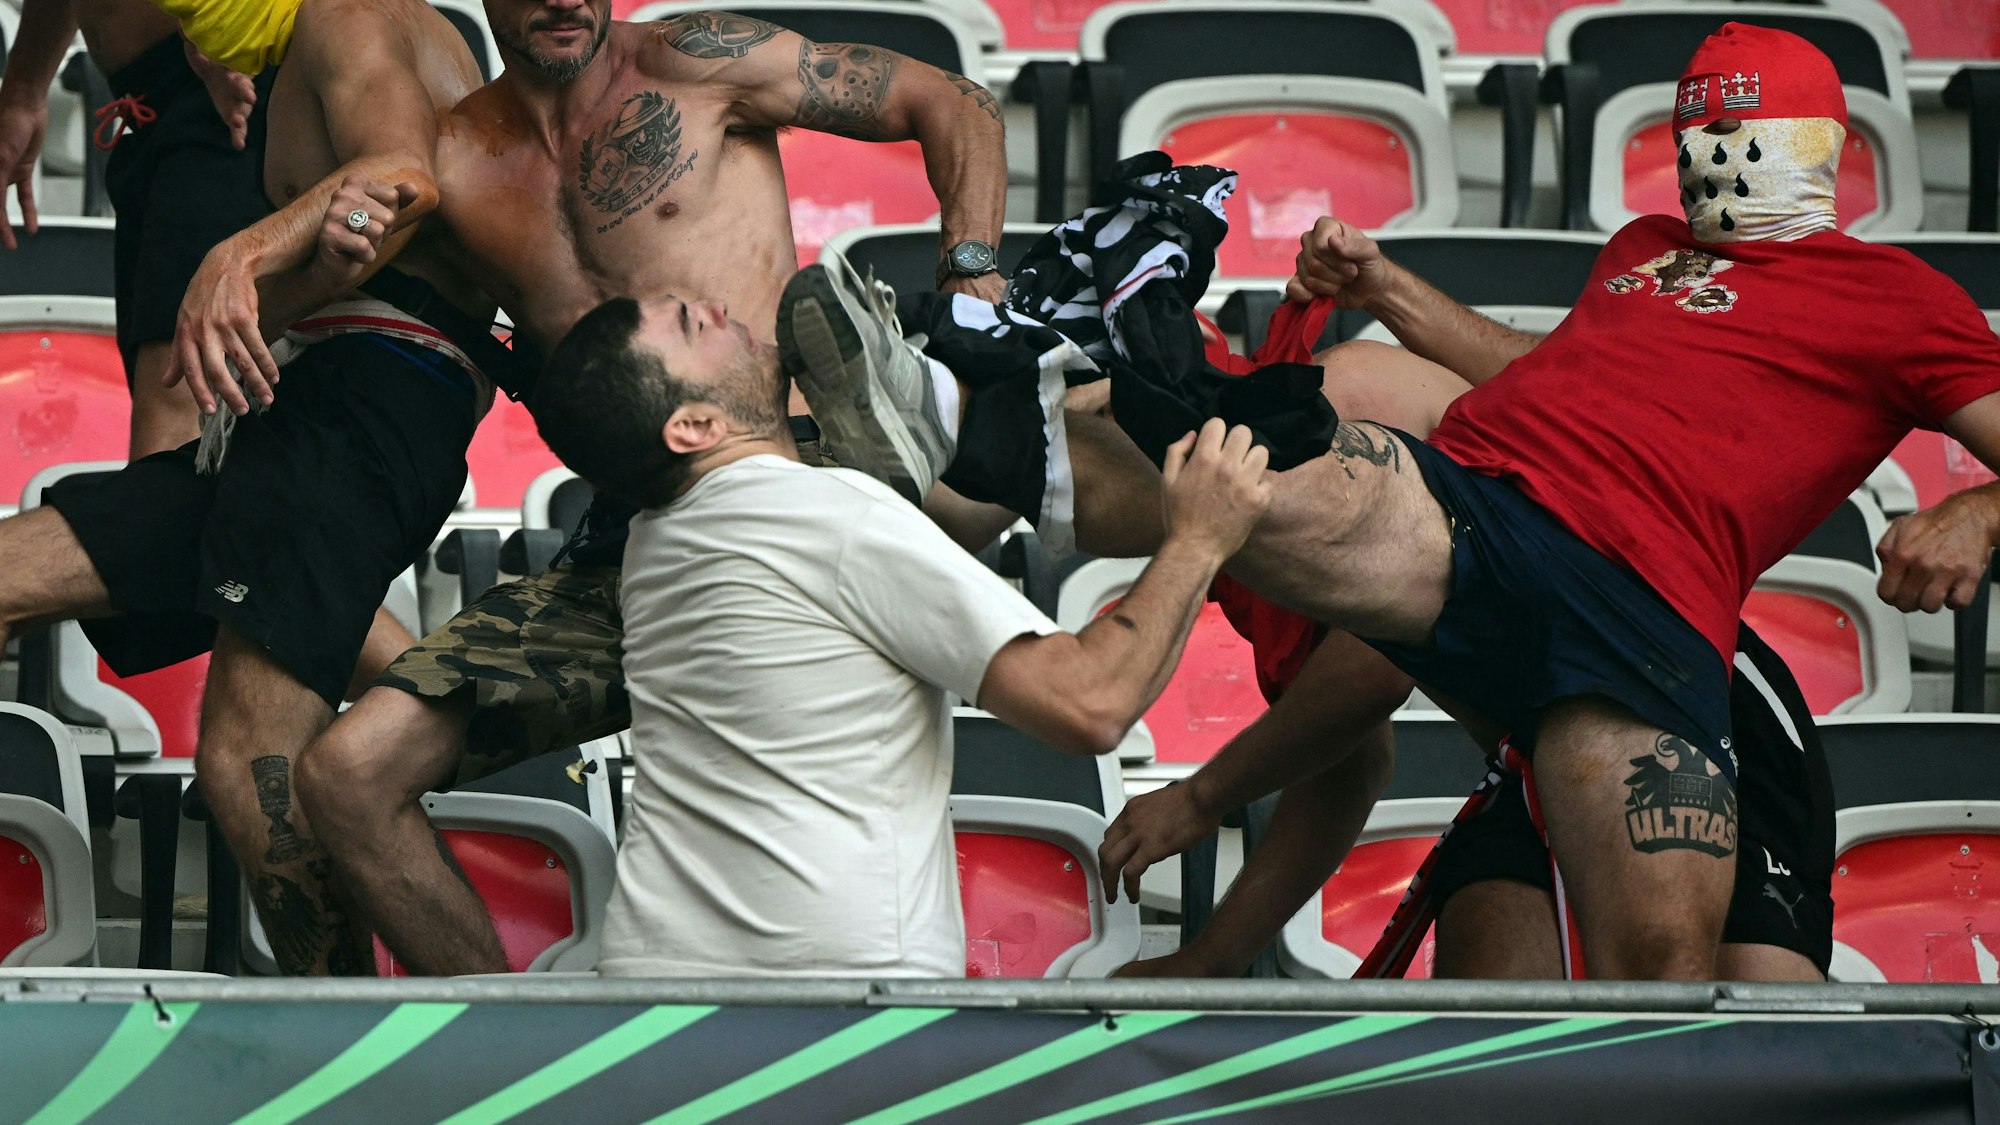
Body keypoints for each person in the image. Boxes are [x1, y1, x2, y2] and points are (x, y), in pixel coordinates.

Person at [835, 22, 2000, 980]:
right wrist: (1390, 286)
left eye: (1749, 141)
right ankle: (975, 419)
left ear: (1825, 146)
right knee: (1269, 455)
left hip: (1643, 612)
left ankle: (1080, 390)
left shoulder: (1899, 300)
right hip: (1487, 511)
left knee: (1659, 999)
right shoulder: (1645, 249)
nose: (1719, 167)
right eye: (1700, 139)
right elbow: (1535, 377)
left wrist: (1976, 511)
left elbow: (1350, 724)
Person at [252, 1, 1021, 975]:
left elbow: (949, 100)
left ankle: (968, 437)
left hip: (797, 488)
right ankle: (522, 1068)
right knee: (349, 778)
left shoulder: (698, 59)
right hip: (631, 536)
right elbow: (317, 295)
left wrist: (972, 293)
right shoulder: (445, 158)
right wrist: (231, 264)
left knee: (1074, 427)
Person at [527, 255, 1268, 975]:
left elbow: (907, 544)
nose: (720, 306)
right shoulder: (826, 514)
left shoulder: (658, 544)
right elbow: (1090, 701)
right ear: (693, 426)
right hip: (834, 1004)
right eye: (693, 325)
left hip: (657, 986)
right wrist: (1199, 538)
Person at [0, 0, 491, 974]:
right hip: (298, 414)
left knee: (252, 764)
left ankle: (395, 1048)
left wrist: (237, 255)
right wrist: (265, 300)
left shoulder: (352, 15)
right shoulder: (297, 52)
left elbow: (401, 178)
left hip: (369, 405)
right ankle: (443, 716)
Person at [0, 0, 268, 455]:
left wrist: (213, 26)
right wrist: (24, 90)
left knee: (179, 398)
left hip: (220, 83)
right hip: (148, 102)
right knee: (163, 386)